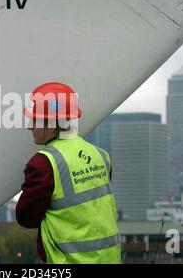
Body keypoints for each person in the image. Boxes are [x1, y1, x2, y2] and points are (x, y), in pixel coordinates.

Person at [16, 82, 121, 264]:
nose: (29, 126)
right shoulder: (101, 156)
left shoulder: (43, 163)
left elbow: (26, 217)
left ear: (51, 125)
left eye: (35, 120)